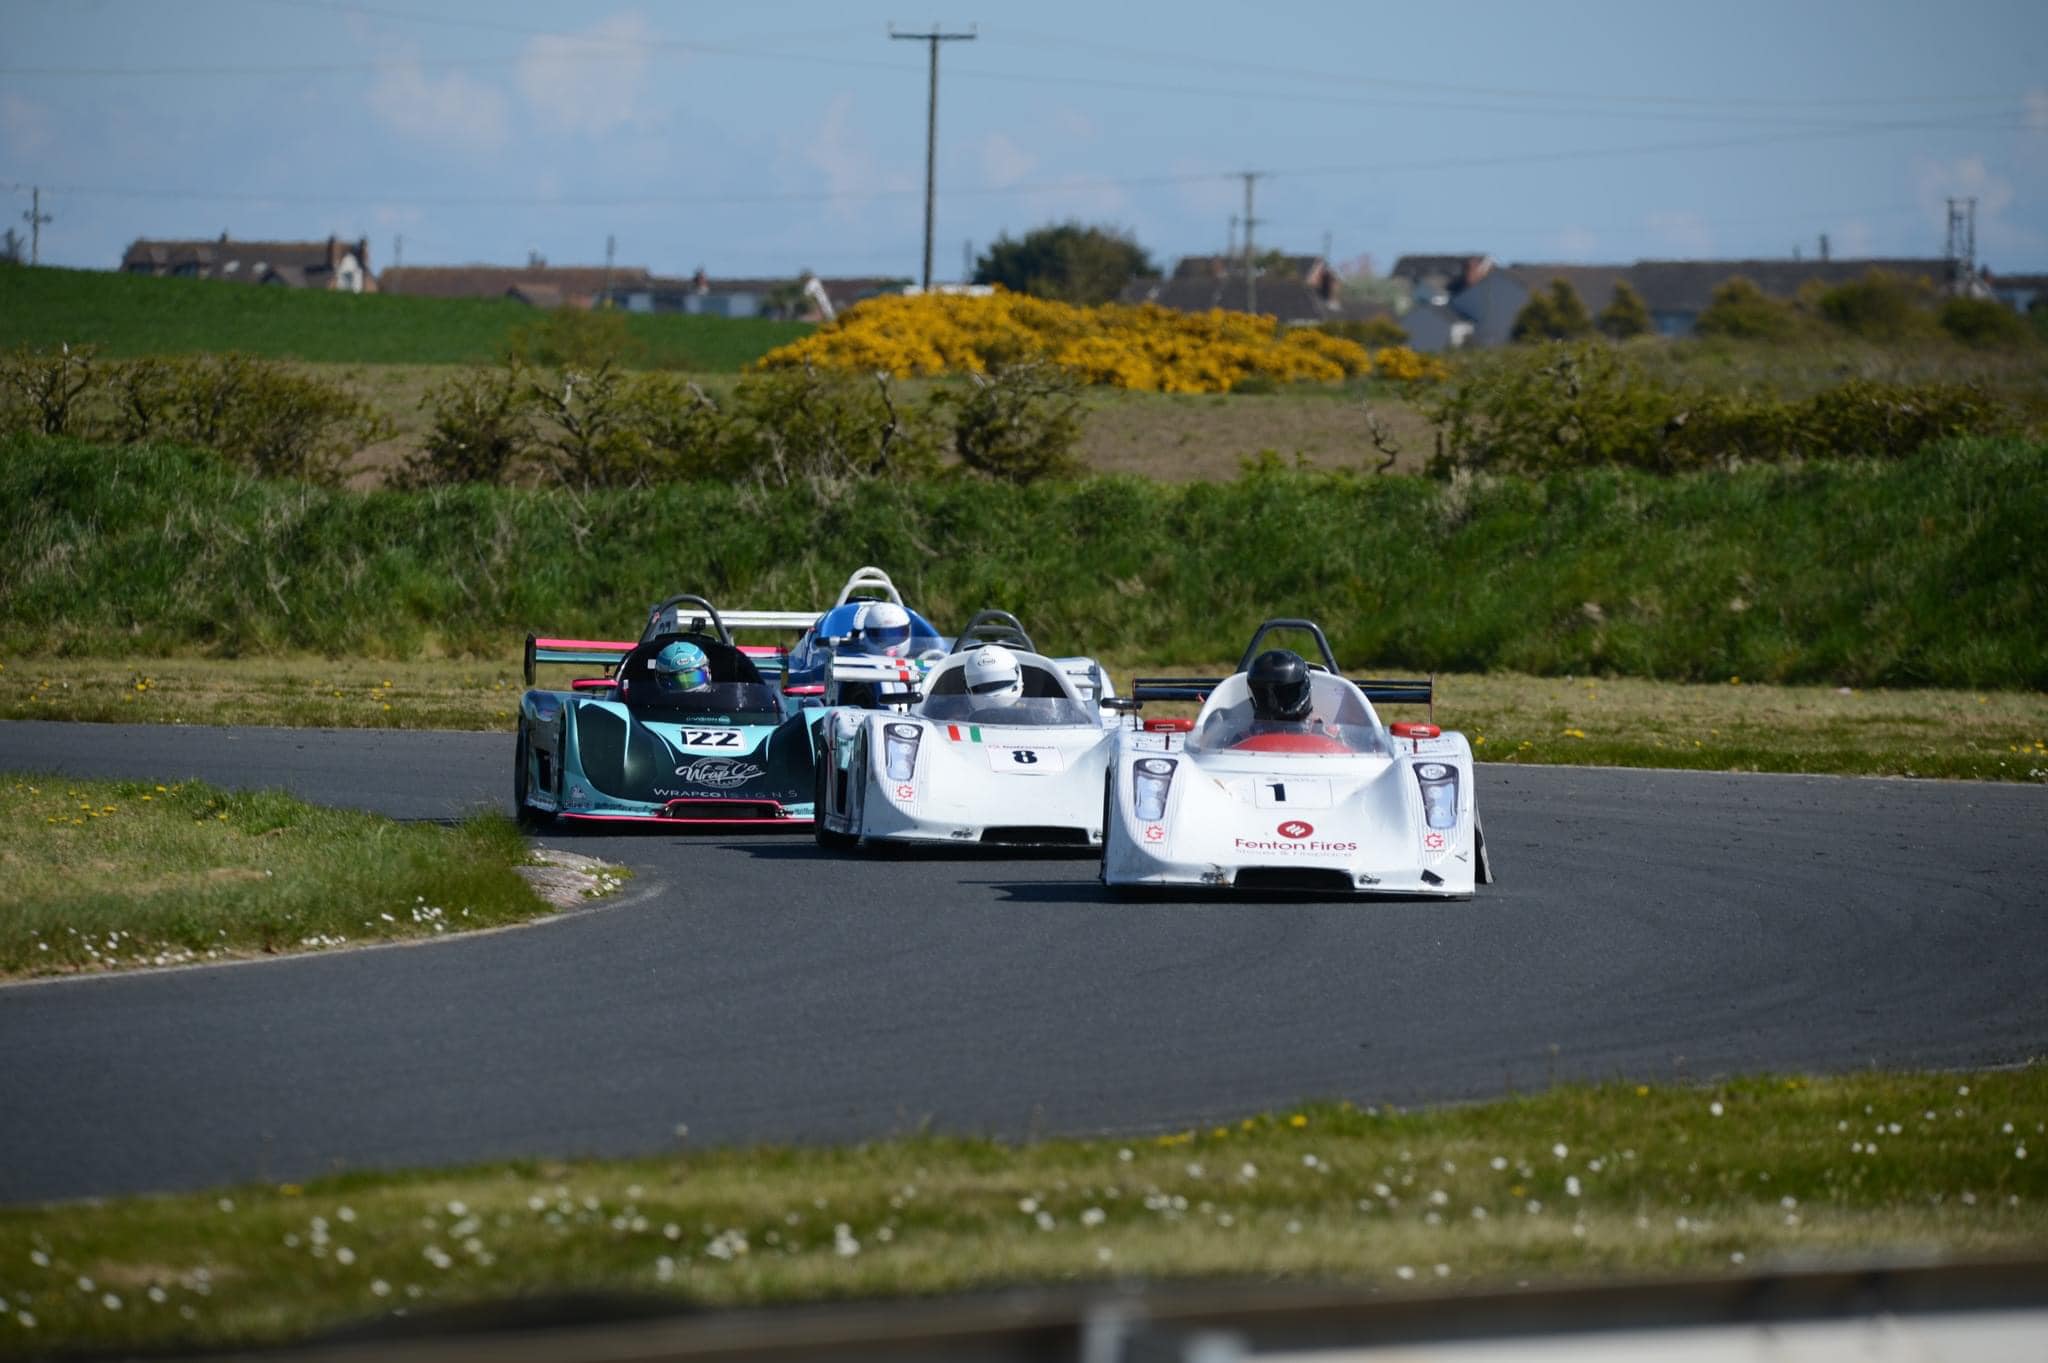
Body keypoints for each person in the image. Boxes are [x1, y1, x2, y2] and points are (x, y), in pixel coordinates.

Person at [1246, 648, 1313, 724]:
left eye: (1284, 693)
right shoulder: (1243, 735)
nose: (1272, 703)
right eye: (1262, 694)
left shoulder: (1323, 732)